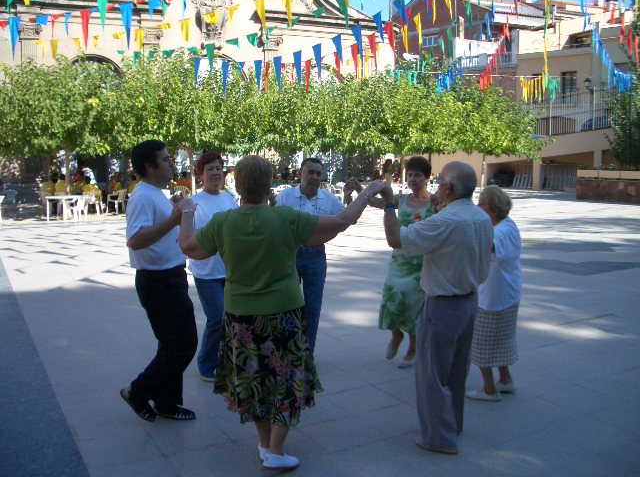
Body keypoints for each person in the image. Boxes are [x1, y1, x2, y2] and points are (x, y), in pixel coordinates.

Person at [178, 155, 385, 471]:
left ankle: (265, 444)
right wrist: (368, 192)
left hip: (240, 320)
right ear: (269, 185)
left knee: (254, 384)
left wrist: (188, 212)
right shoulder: (287, 219)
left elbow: (189, 247)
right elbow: (343, 221)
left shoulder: (223, 223)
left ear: (238, 185)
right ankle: (274, 449)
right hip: (283, 317)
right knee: (288, 384)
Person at [381, 161, 493, 455]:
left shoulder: (446, 221)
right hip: (469, 302)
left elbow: (396, 239)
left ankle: (438, 438)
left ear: (448, 187)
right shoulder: (480, 217)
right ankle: (452, 424)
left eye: (440, 180)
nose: (436, 185)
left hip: (443, 305)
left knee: (432, 375)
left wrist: (390, 206)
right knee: (456, 372)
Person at [120, 139, 198, 423]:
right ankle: (138, 391)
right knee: (184, 343)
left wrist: (173, 209)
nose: (171, 163)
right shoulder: (142, 196)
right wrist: (175, 218)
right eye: (164, 160)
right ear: (149, 167)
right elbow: (135, 240)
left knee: (171, 344)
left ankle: (167, 402)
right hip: (159, 281)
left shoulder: (155, 193)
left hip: (169, 277)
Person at [275, 158, 350, 353]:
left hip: (316, 256)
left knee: (313, 309)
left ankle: (307, 354)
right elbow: (274, 223)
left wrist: (349, 198)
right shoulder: (285, 197)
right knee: (286, 306)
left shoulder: (328, 199)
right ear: (301, 174)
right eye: (311, 172)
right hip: (289, 255)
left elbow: (345, 219)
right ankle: (286, 351)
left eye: (318, 173)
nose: (315, 177)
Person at [368, 156, 436, 368]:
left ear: (427, 178)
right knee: (391, 299)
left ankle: (413, 349)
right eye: (411, 175)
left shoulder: (434, 203)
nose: (413, 179)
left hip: (420, 265)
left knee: (415, 308)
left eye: (418, 175)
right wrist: (361, 190)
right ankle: (396, 335)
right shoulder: (403, 199)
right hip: (399, 261)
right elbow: (381, 203)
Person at [466, 185, 521, 402]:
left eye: (482, 204)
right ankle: (505, 379)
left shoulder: (502, 231)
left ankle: (489, 389)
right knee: (500, 340)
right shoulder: (506, 225)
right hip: (504, 294)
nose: (478, 207)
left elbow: (488, 246)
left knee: (481, 344)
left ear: (494, 209)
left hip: (494, 298)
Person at [189, 152, 238, 382]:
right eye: (210, 169)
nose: (216, 172)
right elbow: (189, 238)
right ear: (201, 174)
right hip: (206, 272)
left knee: (231, 319)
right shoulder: (195, 203)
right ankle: (206, 364)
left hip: (230, 271)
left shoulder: (229, 198)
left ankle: (226, 360)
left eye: (219, 168)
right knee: (217, 318)